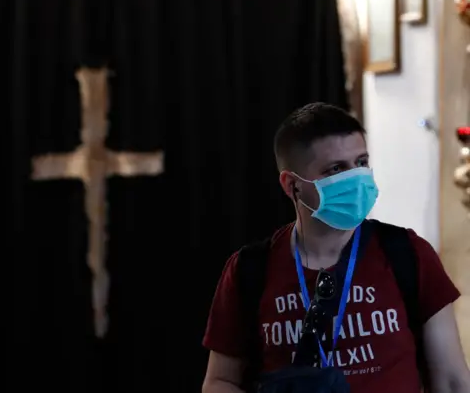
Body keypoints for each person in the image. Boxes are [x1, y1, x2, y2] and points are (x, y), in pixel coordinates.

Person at [201, 103, 470, 393]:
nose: (356, 178)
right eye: (337, 168)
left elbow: (452, 381)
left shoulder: (409, 254)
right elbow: (220, 380)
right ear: (292, 185)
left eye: (361, 162)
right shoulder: (249, 270)